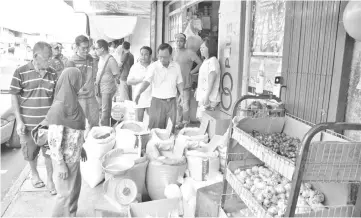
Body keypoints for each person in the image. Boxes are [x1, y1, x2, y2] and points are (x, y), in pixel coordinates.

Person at [10, 41, 57, 195]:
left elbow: (56, 98)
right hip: (27, 124)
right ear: (35, 56)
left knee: (49, 153)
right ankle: (34, 174)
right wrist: (19, 121)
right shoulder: (20, 72)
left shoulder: (53, 73)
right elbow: (14, 97)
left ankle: (50, 179)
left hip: (47, 125)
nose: (49, 61)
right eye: (46, 58)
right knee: (30, 153)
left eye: (50, 57)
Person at [46, 67, 87, 217]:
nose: (80, 83)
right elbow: (54, 140)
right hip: (65, 159)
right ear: (71, 81)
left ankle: (71, 214)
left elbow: (74, 131)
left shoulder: (72, 102)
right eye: (78, 80)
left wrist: (80, 147)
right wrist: (61, 164)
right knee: (64, 194)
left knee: (74, 189)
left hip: (74, 156)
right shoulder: (59, 107)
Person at [135, 43, 184, 133]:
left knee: (170, 128)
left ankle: (168, 146)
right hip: (157, 102)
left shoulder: (176, 66)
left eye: (165, 57)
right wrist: (139, 92)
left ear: (170, 55)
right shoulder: (153, 67)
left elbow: (179, 81)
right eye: (160, 56)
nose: (162, 59)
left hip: (171, 102)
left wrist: (182, 93)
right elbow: (147, 81)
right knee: (155, 129)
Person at [66, 35, 99, 137]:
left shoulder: (90, 59)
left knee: (95, 124)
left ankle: (92, 144)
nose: (86, 50)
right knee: (78, 126)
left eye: (87, 47)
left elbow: (93, 75)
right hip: (79, 99)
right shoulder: (71, 62)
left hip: (91, 97)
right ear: (76, 46)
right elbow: (68, 83)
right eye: (83, 48)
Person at [173, 33, 202, 128]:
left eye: (181, 41)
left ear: (184, 42)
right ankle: (178, 122)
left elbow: (200, 63)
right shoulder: (173, 53)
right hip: (175, 84)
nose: (178, 42)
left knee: (185, 105)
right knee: (177, 105)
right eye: (177, 40)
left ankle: (185, 123)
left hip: (186, 83)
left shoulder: (190, 52)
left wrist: (191, 72)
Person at [94, 39, 120, 126]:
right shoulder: (101, 58)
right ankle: (107, 124)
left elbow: (117, 74)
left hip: (107, 88)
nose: (95, 50)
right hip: (99, 87)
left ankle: (105, 130)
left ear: (102, 49)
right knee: (101, 109)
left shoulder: (111, 60)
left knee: (105, 111)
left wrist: (114, 86)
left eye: (96, 48)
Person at [196, 37, 221, 119]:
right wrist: (198, 89)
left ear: (210, 48)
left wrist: (206, 96)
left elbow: (211, 80)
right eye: (200, 48)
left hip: (209, 98)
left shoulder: (213, 61)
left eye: (203, 47)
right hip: (204, 96)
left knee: (205, 121)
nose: (201, 49)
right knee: (201, 119)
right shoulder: (206, 61)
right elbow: (203, 79)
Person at [127, 46, 153, 122]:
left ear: (150, 56)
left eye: (146, 54)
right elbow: (128, 81)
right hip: (139, 99)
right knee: (138, 123)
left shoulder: (154, 66)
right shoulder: (135, 67)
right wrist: (142, 80)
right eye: (141, 54)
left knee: (151, 123)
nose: (143, 56)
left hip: (152, 99)